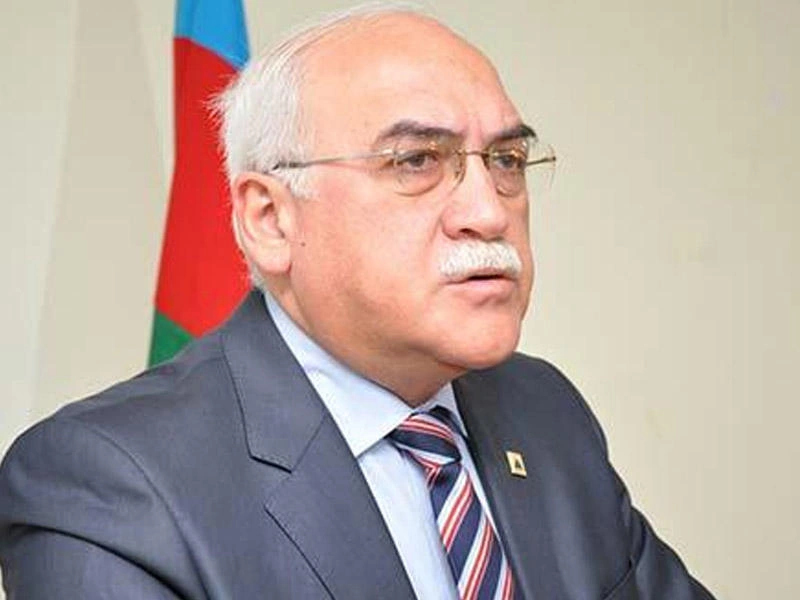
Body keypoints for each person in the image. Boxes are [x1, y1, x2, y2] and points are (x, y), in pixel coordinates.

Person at [0, 5, 715, 599]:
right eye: (417, 161)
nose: (489, 211)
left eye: (505, 160)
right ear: (271, 219)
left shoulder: (545, 411)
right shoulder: (107, 486)